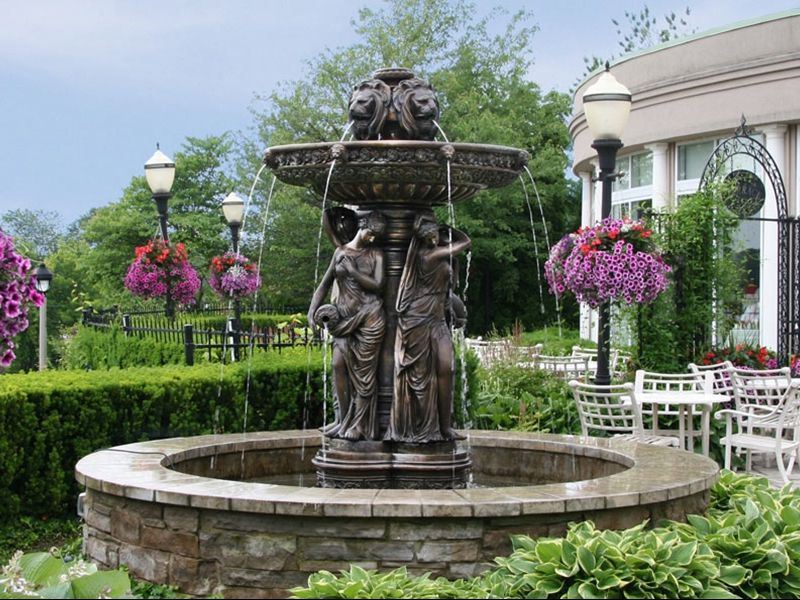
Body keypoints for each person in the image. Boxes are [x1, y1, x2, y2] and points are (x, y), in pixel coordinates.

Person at [385, 215, 471, 443]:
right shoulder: (427, 256)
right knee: (422, 377)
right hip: (418, 319)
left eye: (435, 234)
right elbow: (466, 243)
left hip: (437, 318)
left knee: (447, 367)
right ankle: (421, 427)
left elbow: (447, 287)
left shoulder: (439, 255)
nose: (434, 239)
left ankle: (445, 427)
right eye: (429, 235)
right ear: (422, 239)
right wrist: (448, 229)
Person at [308, 210, 386, 441]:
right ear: (362, 225)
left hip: (370, 318)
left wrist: (353, 271)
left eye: (376, 236)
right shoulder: (340, 252)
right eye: (371, 233)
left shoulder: (377, 254)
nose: (372, 239)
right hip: (343, 320)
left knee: (364, 375)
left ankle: (360, 425)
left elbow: (378, 285)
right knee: (337, 365)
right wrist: (312, 310)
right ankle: (342, 419)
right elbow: (324, 284)